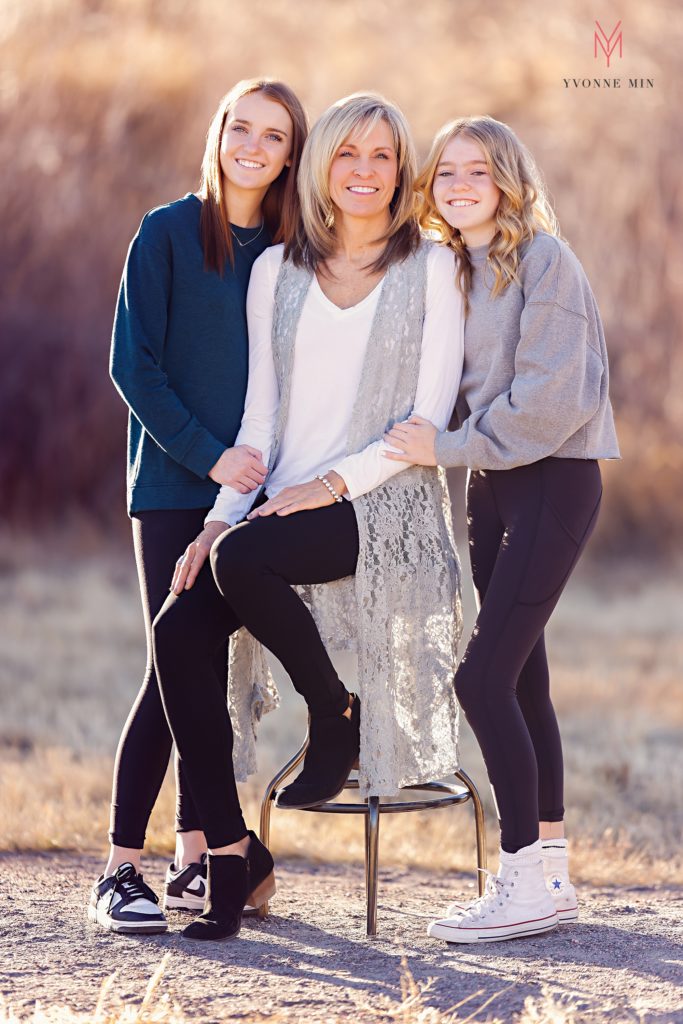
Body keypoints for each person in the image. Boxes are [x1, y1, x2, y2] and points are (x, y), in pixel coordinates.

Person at [152, 92, 465, 941]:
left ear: (401, 171)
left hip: (382, 503)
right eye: (347, 155)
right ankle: (227, 853)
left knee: (244, 562)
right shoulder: (276, 272)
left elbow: (422, 427)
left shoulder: (430, 267)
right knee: (177, 626)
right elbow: (260, 423)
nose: (364, 172)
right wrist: (218, 519)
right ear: (320, 166)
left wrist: (331, 484)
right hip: (274, 513)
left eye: (382, 156)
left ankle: (334, 714)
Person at [384, 115, 619, 944]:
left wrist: (442, 446)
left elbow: (553, 401)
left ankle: (518, 879)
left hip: (553, 480)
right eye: (444, 172)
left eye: (475, 172)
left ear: (508, 180)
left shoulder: (544, 262)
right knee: (521, 683)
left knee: (478, 680)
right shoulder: (450, 267)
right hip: (489, 488)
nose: (457, 185)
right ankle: (549, 875)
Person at [88, 79, 308, 935]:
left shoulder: (292, 252)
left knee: (197, 671)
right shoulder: (167, 232)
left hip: (252, 495)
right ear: (219, 135)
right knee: (170, 665)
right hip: (177, 485)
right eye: (240, 128)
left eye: (274, 135)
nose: (253, 146)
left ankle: (192, 863)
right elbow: (133, 368)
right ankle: (119, 869)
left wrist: (259, 478)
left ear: (291, 154)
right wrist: (210, 455)